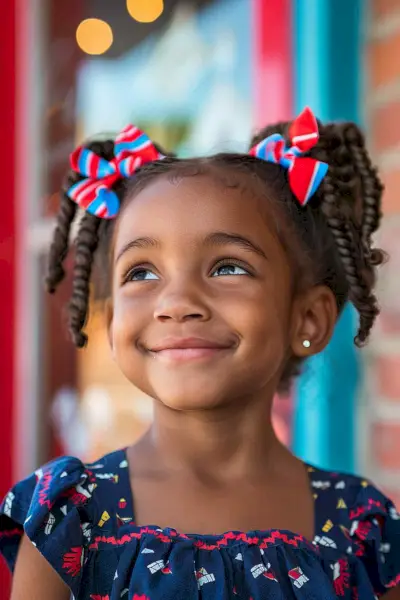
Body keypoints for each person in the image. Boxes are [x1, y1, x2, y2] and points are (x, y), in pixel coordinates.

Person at [1, 109, 399, 600]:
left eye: (228, 267)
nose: (177, 303)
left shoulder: (363, 527)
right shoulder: (69, 517)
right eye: (141, 273)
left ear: (308, 319)